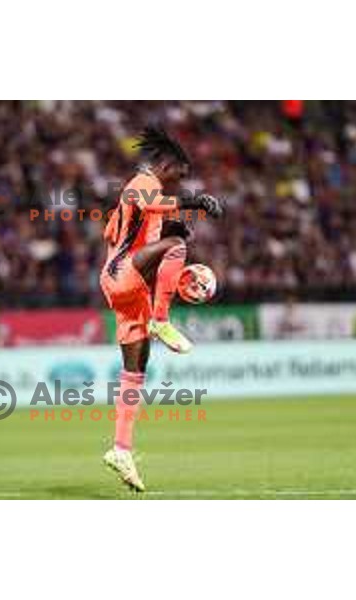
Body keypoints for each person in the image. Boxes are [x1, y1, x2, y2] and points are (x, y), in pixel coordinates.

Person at [99, 127, 223, 491]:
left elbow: (117, 232)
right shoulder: (141, 181)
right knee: (174, 247)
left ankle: (121, 449)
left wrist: (172, 225)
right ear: (165, 165)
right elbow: (147, 203)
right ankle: (162, 319)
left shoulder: (149, 195)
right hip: (121, 275)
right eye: (177, 176)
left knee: (135, 371)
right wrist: (192, 203)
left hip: (129, 290)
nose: (176, 184)